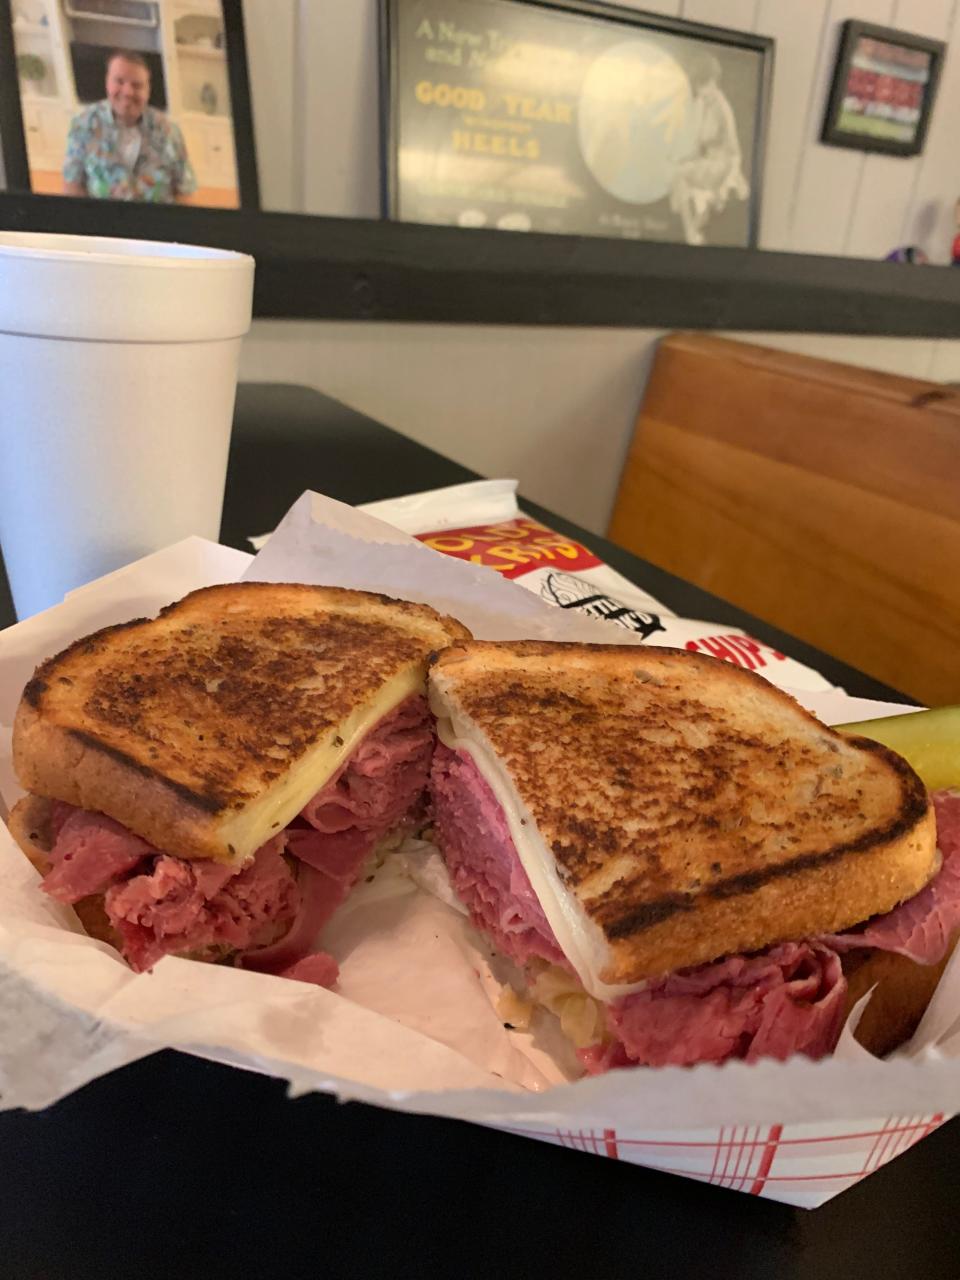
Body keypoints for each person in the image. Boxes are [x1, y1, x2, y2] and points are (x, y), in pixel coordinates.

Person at [63, 50, 196, 203]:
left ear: (148, 90)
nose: (127, 92)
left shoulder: (170, 132)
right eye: (119, 81)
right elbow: (72, 184)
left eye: (137, 85)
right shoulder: (83, 125)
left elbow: (185, 190)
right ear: (107, 82)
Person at [670, 52, 749, 246]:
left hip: (723, 165)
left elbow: (735, 153)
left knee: (680, 175)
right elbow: (696, 142)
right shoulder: (702, 103)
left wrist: (726, 185)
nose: (700, 90)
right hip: (706, 161)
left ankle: (692, 233)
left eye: (703, 85)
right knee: (675, 170)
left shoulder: (723, 109)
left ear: (713, 82)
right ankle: (696, 225)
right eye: (698, 85)